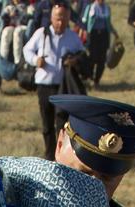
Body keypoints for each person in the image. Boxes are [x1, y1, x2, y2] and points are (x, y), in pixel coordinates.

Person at [24, 1, 87, 158]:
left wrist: (74, 61)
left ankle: (61, 157)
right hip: (44, 85)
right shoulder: (41, 34)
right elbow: (27, 50)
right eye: (58, 18)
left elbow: (83, 56)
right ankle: (48, 156)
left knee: (62, 124)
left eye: (64, 19)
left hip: (63, 87)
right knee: (47, 124)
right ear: (51, 18)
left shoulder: (72, 38)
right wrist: (35, 60)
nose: (61, 22)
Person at [82, 0, 111, 87]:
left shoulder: (107, 8)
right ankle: (89, 77)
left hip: (104, 35)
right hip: (93, 35)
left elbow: (109, 23)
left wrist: (114, 33)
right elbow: (84, 22)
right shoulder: (90, 7)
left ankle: (97, 80)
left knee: (102, 60)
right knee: (92, 57)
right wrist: (84, 33)